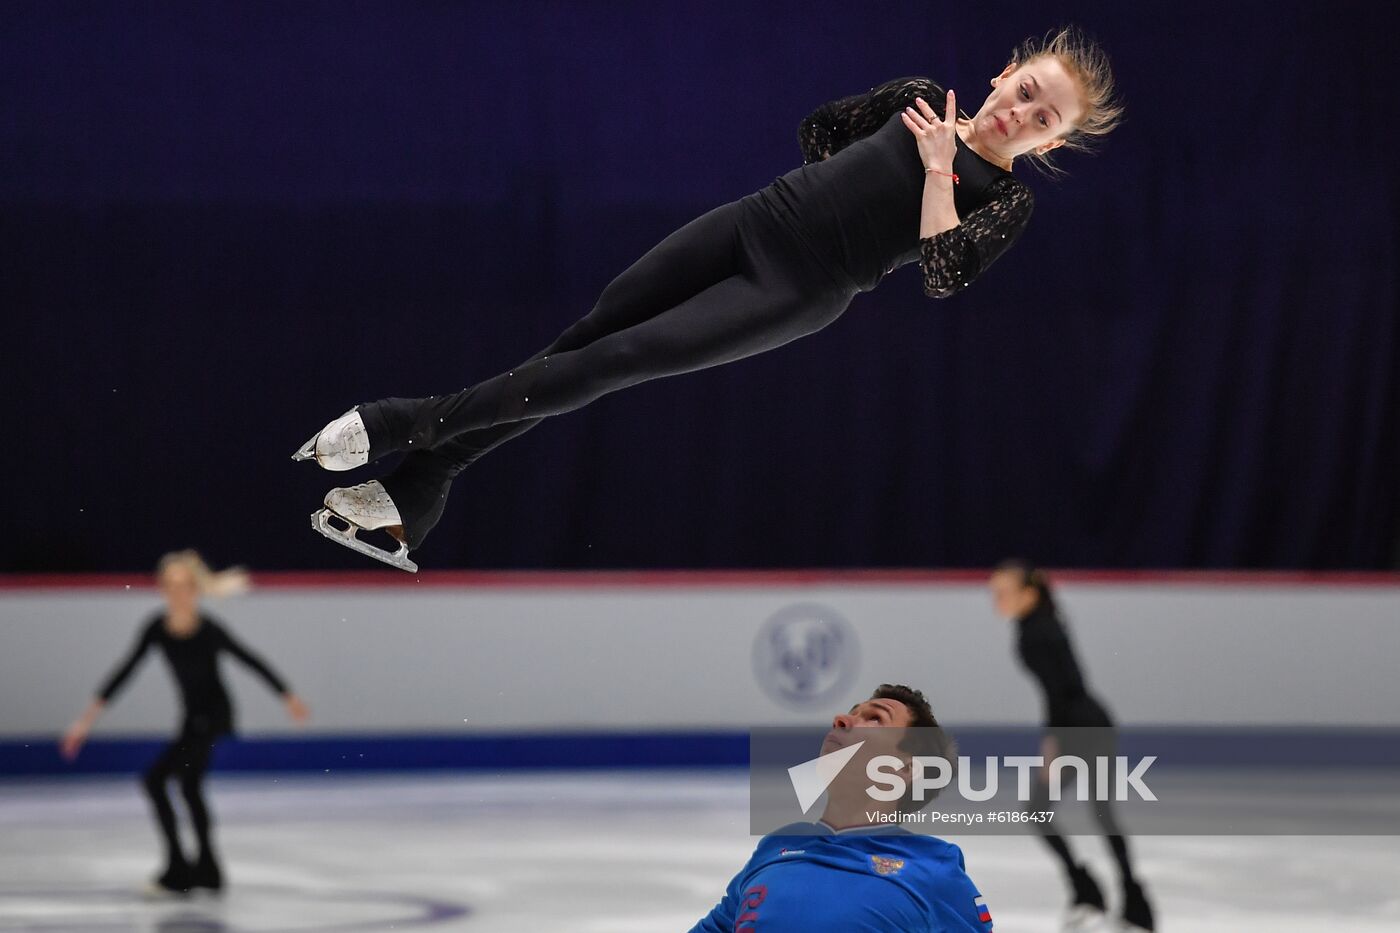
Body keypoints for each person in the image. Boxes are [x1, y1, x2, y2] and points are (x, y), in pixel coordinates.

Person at [292, 27, 1123, 570]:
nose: (1021, 114)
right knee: (585, 337)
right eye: (1025, 91)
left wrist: (941, 168)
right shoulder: (915, 94)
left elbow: (942, 272)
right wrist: (828, 191)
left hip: (795, 288)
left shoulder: (1005, 197)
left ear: (1054, 142)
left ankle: (409, 420)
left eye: (1043, 118)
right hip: (754, 220)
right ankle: (418, 492)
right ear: (1005, 72)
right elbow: (822, 131)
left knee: (616, 361)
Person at [60, 550, 309, 895]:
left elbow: (250, 659)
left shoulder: (207, 630)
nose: (177, 592)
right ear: (162, 589)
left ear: (195, 590)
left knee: (156, 780)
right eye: (170, 585)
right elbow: (124, 672)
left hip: (215, 716)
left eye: (184, 586)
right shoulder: (157, 628)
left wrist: (288, 696)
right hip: (192, 718)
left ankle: (180, 870)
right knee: (188, 787)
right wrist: (84, 722)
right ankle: (206, 870)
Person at [691, 683, 993, 931]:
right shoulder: (779, 845)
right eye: (852, 713)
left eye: (875, 719)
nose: (841, 719)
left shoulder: (933, 869)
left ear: (903, 769)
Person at [988, 560, 1154, 931]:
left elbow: (1063, 690)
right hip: (1085, 722)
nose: (995, 601)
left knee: (1058, 810)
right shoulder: (1038, 623)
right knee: (1084, 811)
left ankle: (1111, 896)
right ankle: (1107, 895)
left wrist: (1054, 742)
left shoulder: (1038, 632)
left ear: (1028, 593)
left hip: (1082, 726)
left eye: (1002, 593)